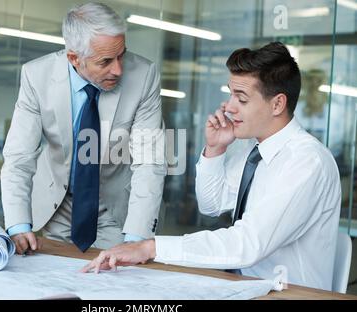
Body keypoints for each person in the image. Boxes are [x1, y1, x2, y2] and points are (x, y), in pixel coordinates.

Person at [82, 42, 341, 291]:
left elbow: (247, 244)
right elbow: (211, 205)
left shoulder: (306, 162)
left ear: (277, 104)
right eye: (230, 94)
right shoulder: (251, 149)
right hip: (244, 286)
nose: (229, 106)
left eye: (241, 98)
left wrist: (150, 247)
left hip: (291, 293)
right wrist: (215, 150)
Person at [1, 2, 166, 254]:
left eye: (121, 54)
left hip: (116, 209)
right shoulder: (37, 76)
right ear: (74, 58)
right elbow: (19, 157)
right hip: (58, 207)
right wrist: (17, 224)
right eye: (106, 61)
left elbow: (149, 161)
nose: (118, 69)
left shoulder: (143, 76)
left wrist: (137, 239)